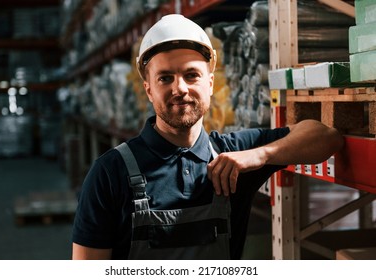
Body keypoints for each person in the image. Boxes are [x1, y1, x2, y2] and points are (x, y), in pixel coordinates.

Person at [71, 14, 344, 260]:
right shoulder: (110, 173)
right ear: (148, 89)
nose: (180, 88)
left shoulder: (234, 153)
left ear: (210, 83)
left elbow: (326, 137)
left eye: (192, 75)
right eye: (165, 78)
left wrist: (259, 155)